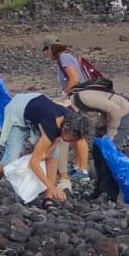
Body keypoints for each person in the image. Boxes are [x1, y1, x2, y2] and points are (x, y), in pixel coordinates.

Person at [0, 93, 92, 207]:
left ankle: (48, 197)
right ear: (67, 130)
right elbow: (34, 163)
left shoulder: (71, 118)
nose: (73, 142)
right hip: (18, 111)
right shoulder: (50, 128)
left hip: (37, 110)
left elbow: (60, 137)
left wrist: (51, 151)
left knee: (53, 156)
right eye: (74, 138)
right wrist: (53, 186)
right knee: (10, 158)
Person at [41, 37, 91, 183]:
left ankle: (83, 170)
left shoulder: (64, 58)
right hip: (78, 96)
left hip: (76, 98)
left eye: (46, 50)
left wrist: (63, 96)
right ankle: (78, 167)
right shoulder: (68, 56)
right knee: (76, 133)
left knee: (78, 133)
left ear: (51, 48)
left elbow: (74, 79)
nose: (46, 54)